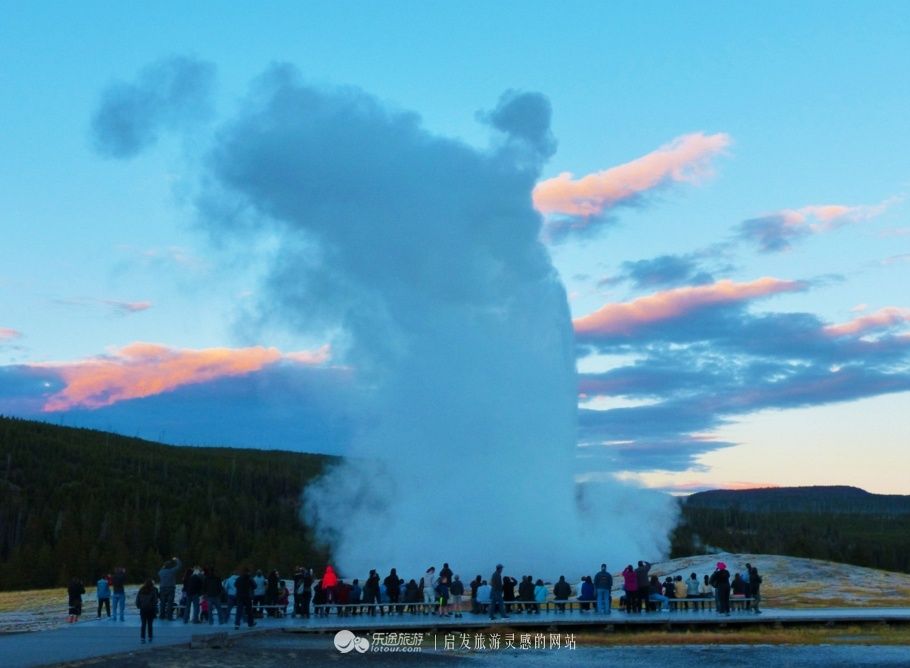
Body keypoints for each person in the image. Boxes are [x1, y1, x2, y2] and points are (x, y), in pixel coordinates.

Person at [135, 579, 159, 643]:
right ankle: (150, 637)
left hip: (143, 610)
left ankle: (142, 638)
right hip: (151, 610)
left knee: (143, 624)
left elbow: (137, 600)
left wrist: (139, 606)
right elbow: (155, 601)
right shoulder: (153, 590)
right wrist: (154, 608)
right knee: (150, 624)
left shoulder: (141, 590)